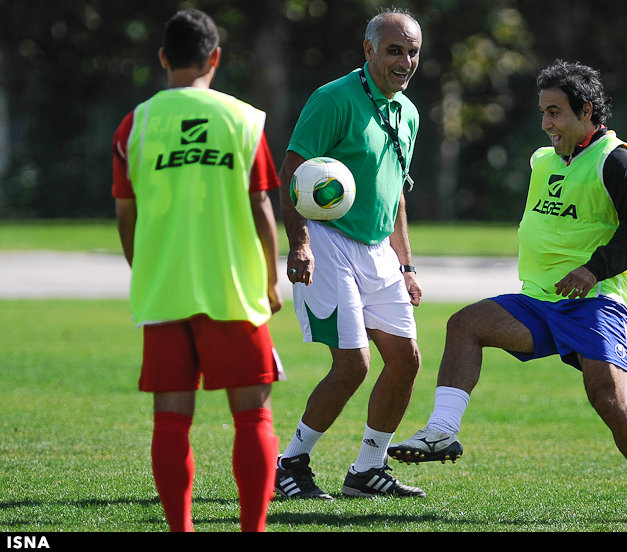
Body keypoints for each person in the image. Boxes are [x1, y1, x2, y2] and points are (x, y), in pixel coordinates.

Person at [389, 60, 627, 524]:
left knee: (608, 398)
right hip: (542, 299)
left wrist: (592, 270)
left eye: (555, 113)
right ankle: (442, 431)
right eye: (543, 113)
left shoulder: (617, 159)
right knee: (466, 324)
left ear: (586, 110)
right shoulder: (544, 160)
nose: (546, 124)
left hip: (598, 300)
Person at [112, 9, 284, 532]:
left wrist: (146, 270)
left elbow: (126, 214)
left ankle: (180, 529)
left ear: (163, 58)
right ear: (215, 58)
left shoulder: (135, 124)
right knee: (253, 415)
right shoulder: (243, 119)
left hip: (164, 291)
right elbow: (260, 208)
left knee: (171, 416)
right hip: (232, 289)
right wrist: (272, 279)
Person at [274, 7, 425, 500]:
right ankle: (290, 463)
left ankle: (367, 470)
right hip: (327, 241)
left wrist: (406, 265)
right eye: (394, 50)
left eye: (413, 52)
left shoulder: (409, 113)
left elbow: (396, 194)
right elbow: (292, 172)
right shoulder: (334, 99)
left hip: (379, 250)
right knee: (353, 364)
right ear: (368, 50)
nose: (405, 60)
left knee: (405, 360)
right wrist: (298, 244)